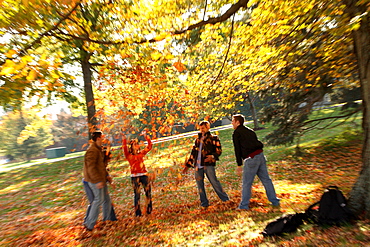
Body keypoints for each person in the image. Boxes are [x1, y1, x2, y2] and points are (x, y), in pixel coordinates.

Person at [231, 114, 280, 210]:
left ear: (238, 122)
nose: (232, 123)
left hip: (251, 159)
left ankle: (244, 206)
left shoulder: (237, 133)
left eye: (233, 121)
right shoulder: (250, 131)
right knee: (266, 179)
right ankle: (274, 200)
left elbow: (237, 149)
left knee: (247, 183)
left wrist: (239, 165)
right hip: (260, 156)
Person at [183, 121, 229, 208]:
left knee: (214, 182)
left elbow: (219, 150)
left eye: (203, 128)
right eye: (200, 129)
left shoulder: (213, 138)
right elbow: (193, 153)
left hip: (208, 164)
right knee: (200, 184)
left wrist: (213, 156)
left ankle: (225, 199)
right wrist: (188, 165)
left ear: (208, 127)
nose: (202, 130)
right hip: (198, 165)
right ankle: (204, 203)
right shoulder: (197, 140)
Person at [83, 131, 115, 231]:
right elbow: (90, 168)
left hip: (101, 179)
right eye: (102, 137)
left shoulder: (98, 149)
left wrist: (106, 176)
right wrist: (97, 181)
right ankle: (89, 224)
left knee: (106, 200)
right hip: (94, 180)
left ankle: (107, 220)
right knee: (98, 200)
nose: (103, 139)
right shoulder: (92, 151)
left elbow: (101, 166)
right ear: (98, 138)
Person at [122, 132, 153, 216]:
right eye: (135, 144)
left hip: (144, 175)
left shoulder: (141, 153)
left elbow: (149, 146)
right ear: (131, 147)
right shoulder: (128, 155)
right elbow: (124, 148)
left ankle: (149, 210)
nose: (137, 146)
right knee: (137, 195)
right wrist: (124, 139)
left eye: (137, 144)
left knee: (148, 193)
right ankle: (138, 213)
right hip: (135, 177)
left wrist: (146, 136)